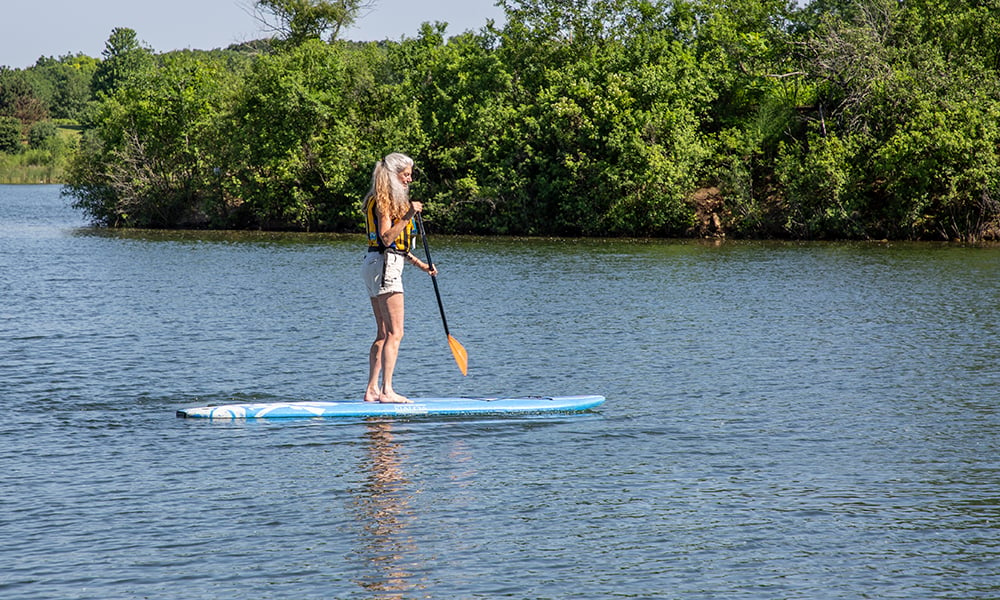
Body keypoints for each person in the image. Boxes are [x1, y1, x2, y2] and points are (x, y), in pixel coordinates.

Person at [361, 153, 437, 403]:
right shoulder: (385, 202)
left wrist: (422, 265)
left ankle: (371, 390)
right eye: (406, 175)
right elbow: (386, 238)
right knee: (396, 333)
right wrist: (408, 215)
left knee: (383, 333)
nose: (409, 179)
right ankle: (387, 391)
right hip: (384, 266)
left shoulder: (378, 199)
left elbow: (395, 248)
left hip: (374, 264)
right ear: (394, 175)